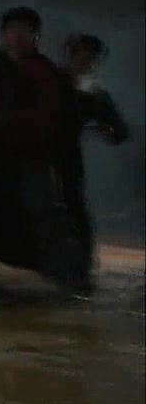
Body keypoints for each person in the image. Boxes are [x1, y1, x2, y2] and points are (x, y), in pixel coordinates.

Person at [0, 6, 85, 292]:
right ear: (4, 34)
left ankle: (69, 278)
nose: (17, 37)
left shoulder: (45, 72)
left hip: (29, 156)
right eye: (12, 30)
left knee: (42, 214)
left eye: (24, 31)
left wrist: (5, 121)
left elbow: (48, 117)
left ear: (35, 36)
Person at [55, 33, 130, 284]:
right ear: (70, 56)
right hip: (34, 156)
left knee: (76, 214)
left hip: (67, 161)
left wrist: (99, 128)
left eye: (92, 59)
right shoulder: (49, 81)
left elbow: (119, 132)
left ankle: (81, 271)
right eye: (83, 57)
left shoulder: (94, 95)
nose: (86, 63)